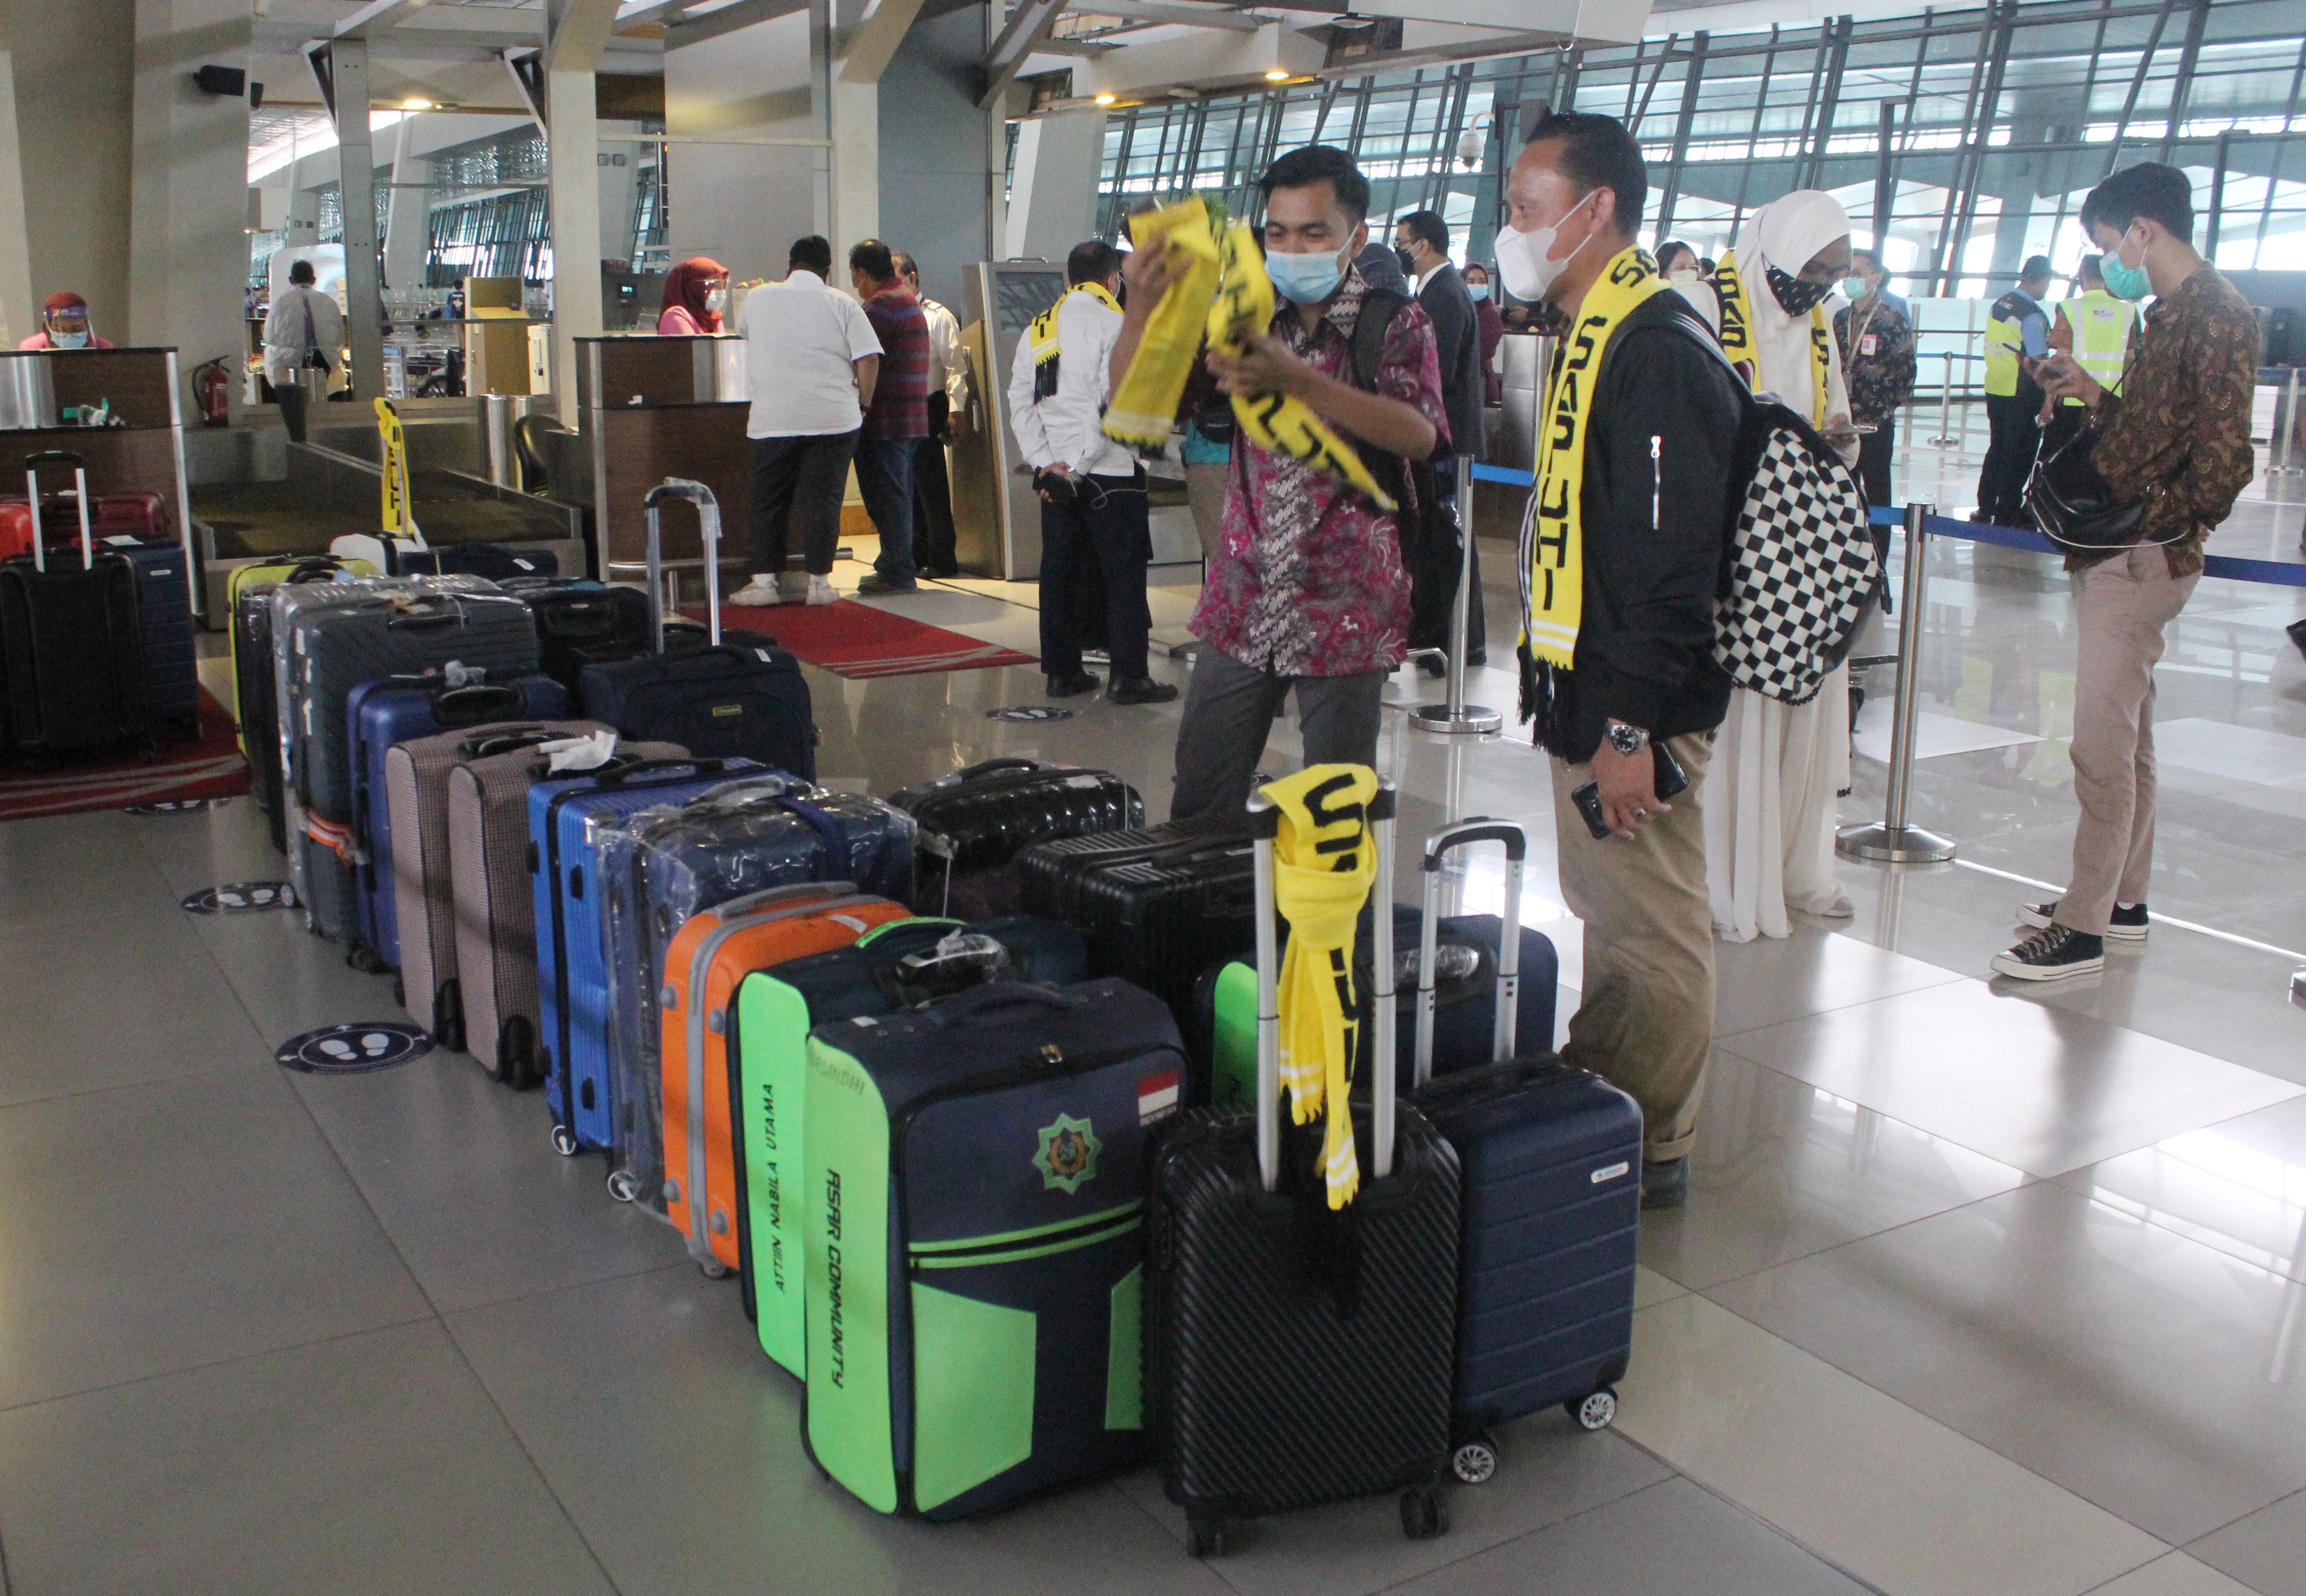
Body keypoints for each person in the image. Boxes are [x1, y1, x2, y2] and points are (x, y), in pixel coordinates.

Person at [1494, 112, 1744, 1209]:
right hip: (1591, 690)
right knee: (1613, 911)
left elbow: (1670, 563)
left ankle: (1652, 1141)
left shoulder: (1651, 349)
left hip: (1630, 705)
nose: (1512, 231)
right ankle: (1603, 1093)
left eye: (1525, 210)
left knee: (1651, 923)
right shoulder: (1601, 333)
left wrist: (1631, 728)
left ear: (1594, 212)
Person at [1118, 144, 1445, 822]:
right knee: (1200, 799)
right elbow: (1135, 405)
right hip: (1241, 604)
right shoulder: (1240, 319)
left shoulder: (1392, 320)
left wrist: (1299, 382)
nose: (1291, 246)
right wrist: (1142, 309)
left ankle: (1326, 932)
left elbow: (1419, 434)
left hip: (1346, 608)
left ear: (1355, 237)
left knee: (1332, 820)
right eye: (1276, 231)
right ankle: (1213, 926)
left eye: (1313, 232)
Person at [1993, 163, 2258, 982]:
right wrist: (2091, 395)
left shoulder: (2216, 316)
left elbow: (2223, 459)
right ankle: (2122, 899)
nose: (2109, 261)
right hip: (2123, 543)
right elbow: (2152, 429)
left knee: (2099, 746)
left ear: (2143, 229)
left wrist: (2163, 526)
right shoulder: (2169, 312)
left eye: (2109, 245)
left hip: (2141, 553)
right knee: (2131, 736)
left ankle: (2081, 926)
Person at [1706, 190, 1860, 944]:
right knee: (1745, 714)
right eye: (1812, 270)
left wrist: (1837, 433)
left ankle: (1799, 862)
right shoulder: (1705, 304)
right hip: (1739, 550)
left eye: (1834, 274)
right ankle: (1734, 871)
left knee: (1807, 711)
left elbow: (1838, 421)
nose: (1820, 287)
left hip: (1803, 551)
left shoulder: (1821, 325)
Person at [1006, 241, 1176, 706]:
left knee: (1059, 574)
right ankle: (1129, 677)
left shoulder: (1038, 331)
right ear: (1113, 280)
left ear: (1068, 280)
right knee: (1122, 576)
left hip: (1057, 481)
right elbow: (1110, 404)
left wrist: (1047, 466)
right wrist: (1079, 467)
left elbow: (1021, 404)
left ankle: (1062, 673)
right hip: (1111, 474)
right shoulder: (1118, 325)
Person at [727, 236, 881, 609]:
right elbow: (869, 358)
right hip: (833, 419)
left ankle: (764, 583)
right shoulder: (843, 303)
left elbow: (743, 333)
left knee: (769, 502)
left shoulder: (758, 298)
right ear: (828, 268)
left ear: (790, 263)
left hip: (773, 418)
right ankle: (819, 585)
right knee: (823, 502)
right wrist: (863, 404)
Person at [1393, 208, 1486, 668]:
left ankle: (1457, 640)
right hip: (1445, 440)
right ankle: (1448, 638)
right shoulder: (1439, 291)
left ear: (1424, 245)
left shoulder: (1444, 295)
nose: (1400, 250)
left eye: (1403, 241)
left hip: (1448, 442)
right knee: (1445, 539)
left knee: (1449, 539)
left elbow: (1437, 371)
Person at [841, 239, 931, 596]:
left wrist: (861, 406)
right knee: (898, 495)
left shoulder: (879, 307)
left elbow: (866, 359)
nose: (853, 284)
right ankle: (896, 565)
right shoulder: (906, 300)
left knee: (888, 498)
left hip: (886, 420)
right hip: (909, 416)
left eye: (854, 276)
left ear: (862, 273)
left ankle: (896, 571)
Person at [895, 252, 964, 578]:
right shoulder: (892, 316)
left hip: (929, 404)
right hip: (902, 408)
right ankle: (916, 551)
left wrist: (956, 410)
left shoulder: (938, 316)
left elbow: (954, 369)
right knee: (908, 485)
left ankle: (943, 556)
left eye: (897, 278)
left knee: (931, 485)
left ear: (911, 277)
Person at [1835, 248, 1917, 508]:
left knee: (1878, 487)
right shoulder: (1840, 319)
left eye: (1858, 273)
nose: (1851, 279)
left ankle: (1879, 545)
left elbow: (1906, 371)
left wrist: (1884, 409)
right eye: (1848, 273)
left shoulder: (1891, 321)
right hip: (1843, 421)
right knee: (1844, 487)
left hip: (1876, 422)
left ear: (1877, 277)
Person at [1974, 254, 2053, 525]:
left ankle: (1986, 505)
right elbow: (2039, 359)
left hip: (1995, 386)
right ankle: (2009, 508)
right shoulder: (2031, 315)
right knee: (2020, 452)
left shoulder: (2002, 304)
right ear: (2043, 279)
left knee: (1998, 447)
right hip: (2021, 391)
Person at [262, 261, 344, 444]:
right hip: (324, 362)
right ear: (314, 280)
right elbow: (340, 338)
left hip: (291, 365)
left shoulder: (280, 303)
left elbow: (269, 337)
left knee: (274, 357)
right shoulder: (329, 302)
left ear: (292, 280)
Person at [2044, 254, 2138, 412]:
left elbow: (2060, 361)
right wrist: (2128, 402)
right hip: (2112, 400)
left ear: (2081, 278)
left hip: (2074, 399)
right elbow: (2130, 360)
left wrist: (2048, 402)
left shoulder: (2069, 308)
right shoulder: (2128, 310)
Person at [1463, 261, 1506, 407]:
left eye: (1482, 282)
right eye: (1471, 281)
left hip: (1481, 387)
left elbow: (1482, 353)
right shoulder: (1462, 309)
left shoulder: (1489, 314)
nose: (1477, 285)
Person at [1655, 237, 1720, 330]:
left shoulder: (1701, 310)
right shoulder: (1653, 309)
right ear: (1661, 272)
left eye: (1693, 268)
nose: (1689, 273)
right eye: (1680, 268)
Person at [19, 291, 114, 351]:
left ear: (88, 327)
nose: (69, 335)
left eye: (77, 329)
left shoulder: (103, 349)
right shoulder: (32, 350)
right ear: (46, 329)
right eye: (60, 329)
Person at [656, 257, 728, 335]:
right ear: (695, 287)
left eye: (723, 287)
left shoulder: (715, 320)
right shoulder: (676, 316)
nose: (721, 292)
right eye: (716, 286)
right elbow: (694, 347)